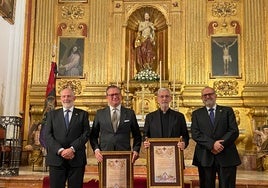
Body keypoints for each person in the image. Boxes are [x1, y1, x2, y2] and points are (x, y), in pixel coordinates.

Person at [191, 86, 241, 188]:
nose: (208, 97)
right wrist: (212, 145)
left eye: (210, 94)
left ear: (215, 96)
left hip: (226, 155)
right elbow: (196, 133)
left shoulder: (227, 111)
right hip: (205, 156)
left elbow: (233, 131)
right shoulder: (196, 114)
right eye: (205, 95)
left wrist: (219, 145)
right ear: (202, 98)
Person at [45, 87, 90, 188]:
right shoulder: (52, 115)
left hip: (76, 158)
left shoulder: (83, 114)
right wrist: (60, 150)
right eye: (63, 96)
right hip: (56, 159)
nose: (66, 98)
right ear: (60, 98)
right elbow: (47, 135)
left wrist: (72, 149)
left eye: (69, 96)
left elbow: (86, 134)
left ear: (74, 98)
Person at [90, 85, 142, 163]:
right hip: (104, 154)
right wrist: (96, 150)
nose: (115, 97)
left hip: (124, 153)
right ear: (107, 97)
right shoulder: (100, 113)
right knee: (105, 175)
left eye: (117, 94)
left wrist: (136, 150)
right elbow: (93, 135)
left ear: (121, 96)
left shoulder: (129, 113)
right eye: (112, 95)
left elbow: (137, 135)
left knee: (124, 175)